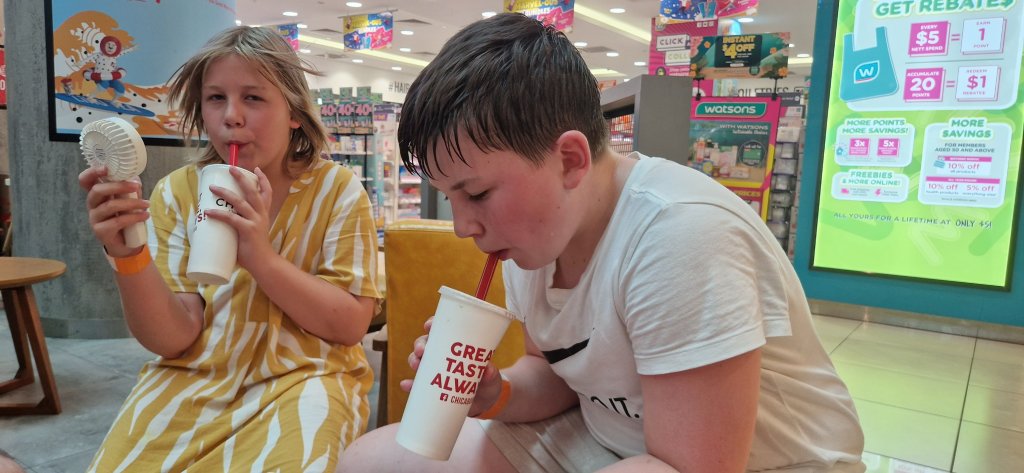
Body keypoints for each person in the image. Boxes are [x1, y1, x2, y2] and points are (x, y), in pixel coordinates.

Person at [339, 12, 865, 473]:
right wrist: (497, 393)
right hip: (606, 440)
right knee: (371, 462)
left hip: (761, 462)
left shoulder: (678, 235)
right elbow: (557, 374)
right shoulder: (536, 237)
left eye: (475, 193)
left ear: (570, 160)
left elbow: (691, 466)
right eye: (450, 197)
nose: (462, 226)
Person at [79, 26, 381, 471]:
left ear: (295, 113)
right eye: (216, 98)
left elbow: (350, 324)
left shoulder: (337, 190)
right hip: (195, 377)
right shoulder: (177, 192)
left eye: (253, 98)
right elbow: (173, 338)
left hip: (307, 377)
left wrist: (259, 256)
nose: (231, 116)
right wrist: (128, 254)